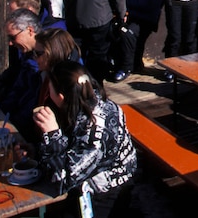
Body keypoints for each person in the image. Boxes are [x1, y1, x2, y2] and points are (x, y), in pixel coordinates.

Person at [32, 61, 137, 218]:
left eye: (50, 88)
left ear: (60, 96)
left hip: (107, 194)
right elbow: (72, 148)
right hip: (92, 182)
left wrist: (52, 134)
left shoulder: (94, 128)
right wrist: (35, 152)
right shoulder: (87, 100)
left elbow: (63, 181)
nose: (48, 92)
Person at [0, 9, 42, 140]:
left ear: (30, 31)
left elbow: (30, 102)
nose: (10, 43)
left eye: (13, 37)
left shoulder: (41, 64)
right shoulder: (27, 56)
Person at [33, 28, 81, 104]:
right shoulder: (46, 74)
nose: (34, 57)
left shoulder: (70, 82)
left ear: (53, 53)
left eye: (38, 53)